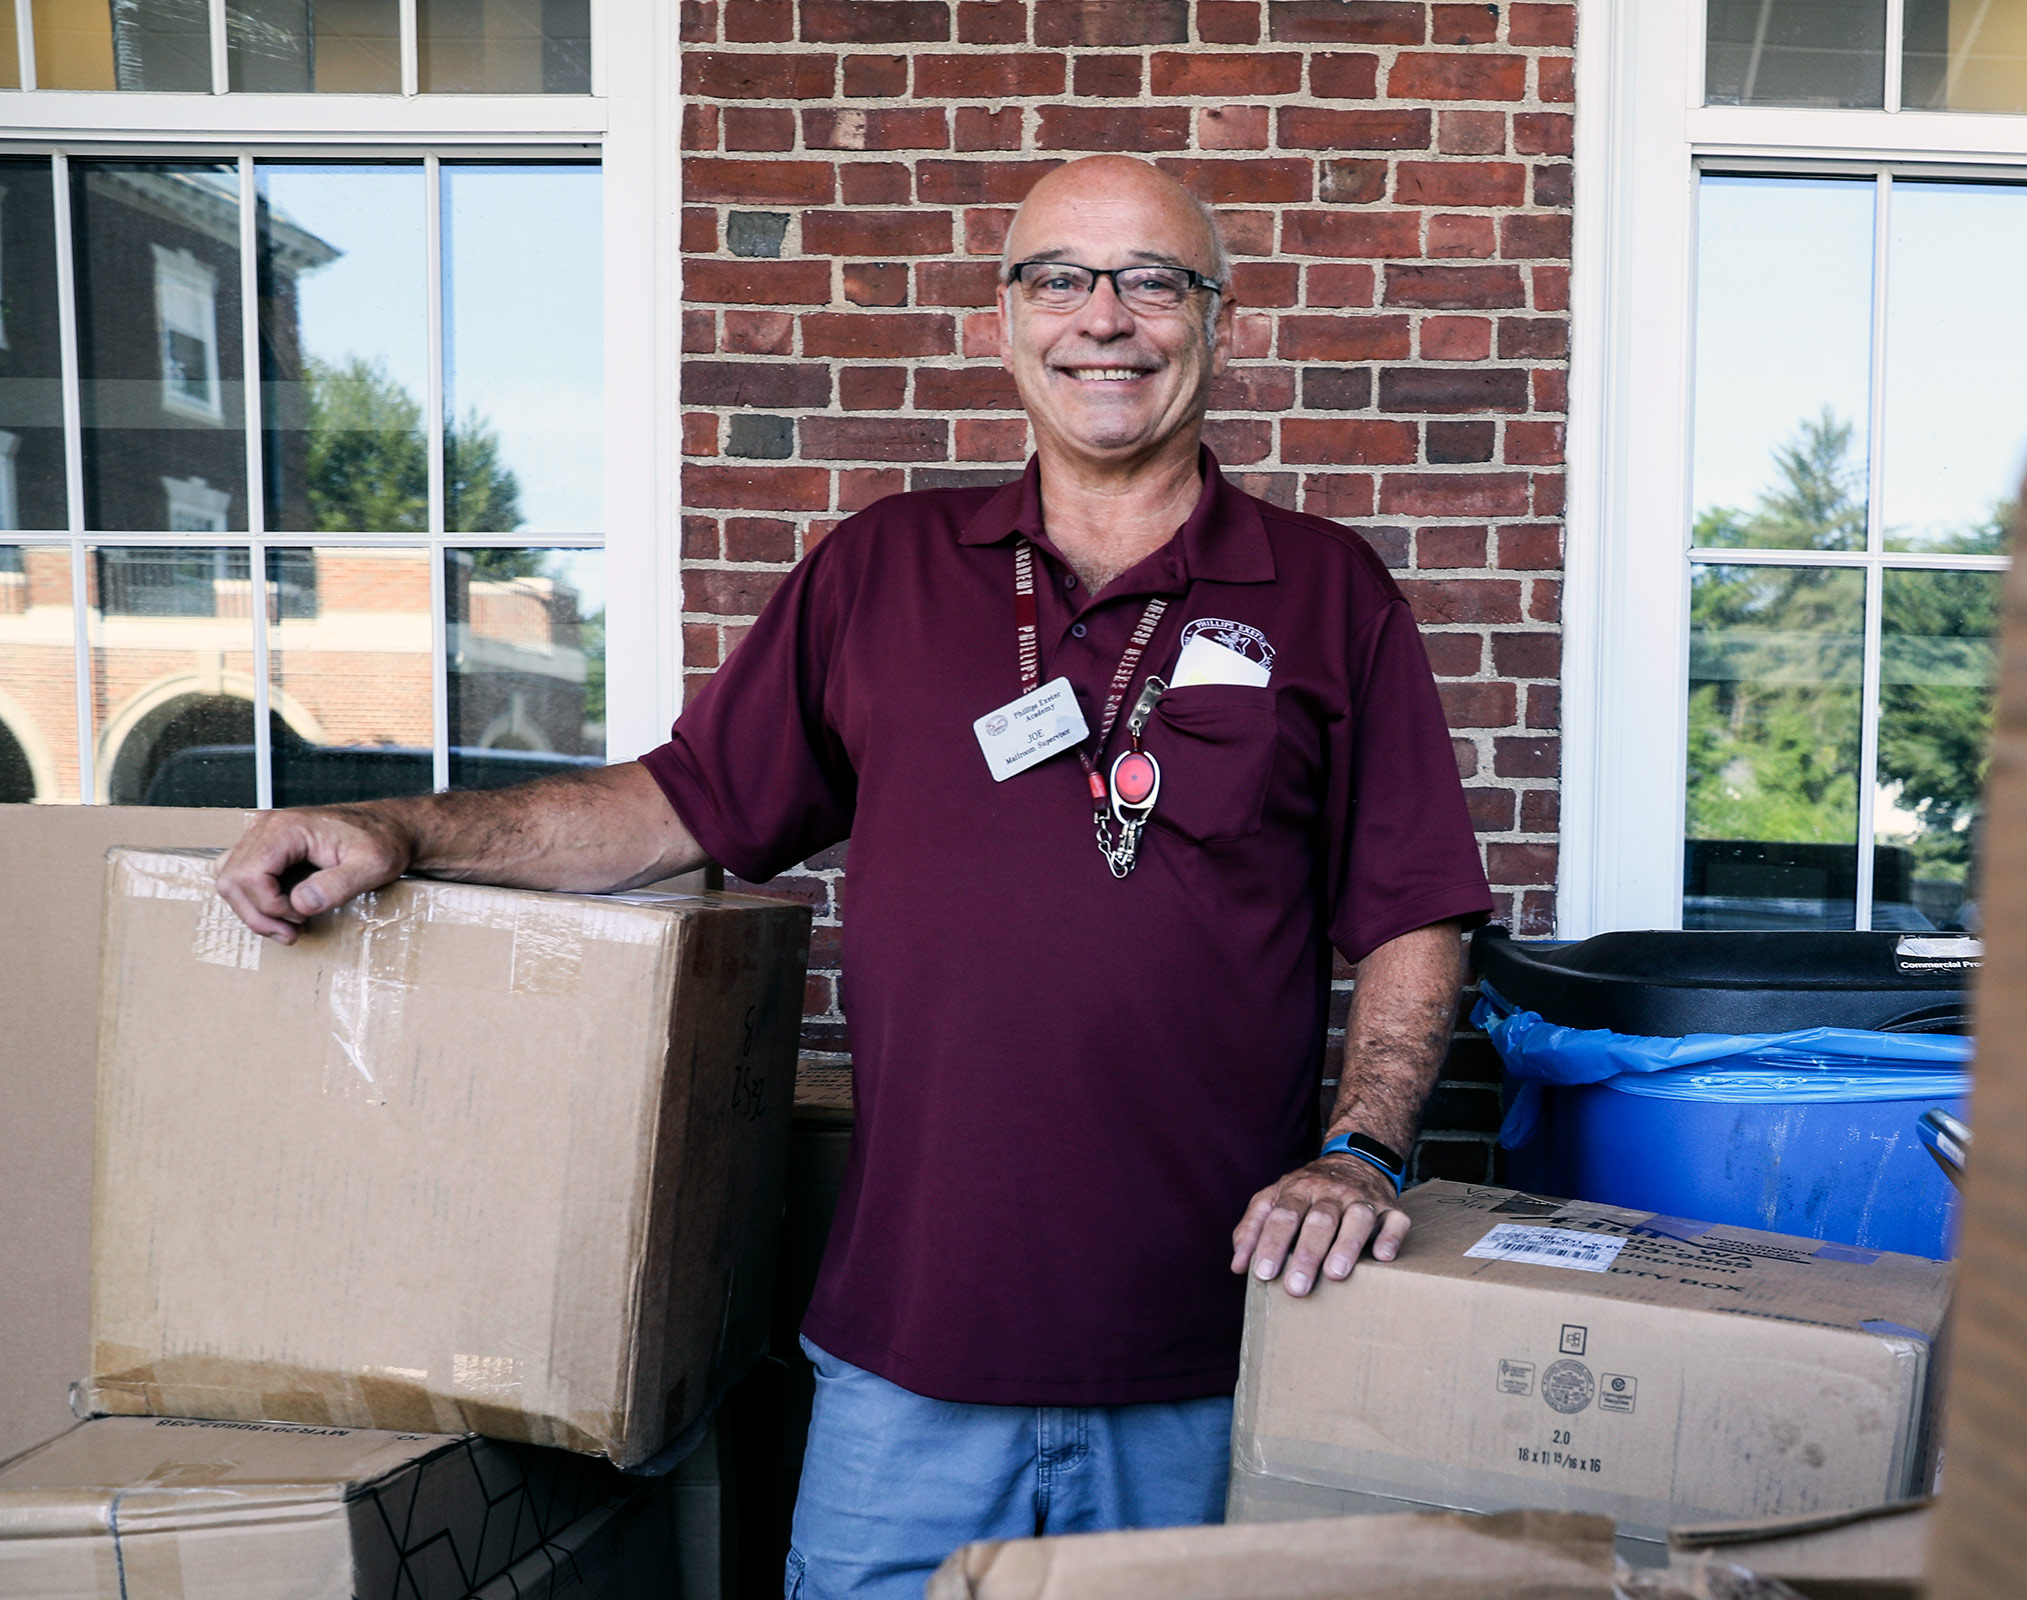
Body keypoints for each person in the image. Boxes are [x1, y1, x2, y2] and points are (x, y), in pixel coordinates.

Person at [214, 154, 1492, 1599]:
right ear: (1004, 320)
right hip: (908, 1366)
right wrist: (402, 830)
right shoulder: (882, 569)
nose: (1106, 318)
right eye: (1060, 278)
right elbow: (672, 804)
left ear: (1222, 322)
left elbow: (1413, 907)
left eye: (1155, 280)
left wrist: (1363, 1148)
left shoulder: (1330, 595)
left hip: (1212, 1356)